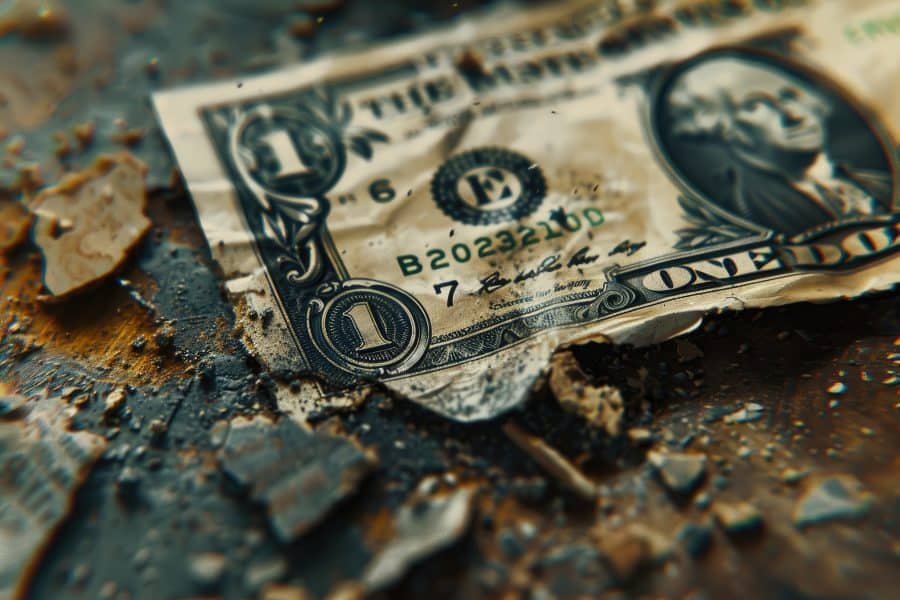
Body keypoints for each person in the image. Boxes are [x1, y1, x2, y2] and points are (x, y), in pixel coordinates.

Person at [664, 56, 892, 238]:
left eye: (790, 96)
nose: (793, 115)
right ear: (722, 128)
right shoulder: (744, 210)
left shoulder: (876, 184)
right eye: (755, 105)